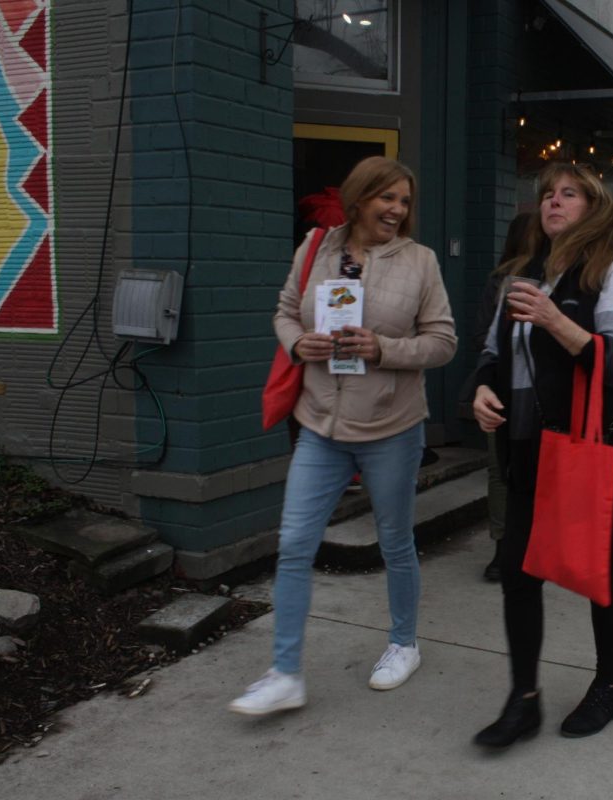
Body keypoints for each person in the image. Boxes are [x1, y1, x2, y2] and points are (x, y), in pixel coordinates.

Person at [230, 157, 458, 716]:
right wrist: (297, 343)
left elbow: (443, 342)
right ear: (360, 198)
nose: (397, 210)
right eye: (387, 198)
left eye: (405, 201)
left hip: (391, 427)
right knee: (294, 544)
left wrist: (383, 348)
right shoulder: (316, 249)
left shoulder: (421, 262)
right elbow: (286, 312)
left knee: (395, 541)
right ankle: (285, 673)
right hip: (319, 425)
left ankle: (404, 643)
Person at [471, 162, 613, 746]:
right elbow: (494, 351)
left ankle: (610, 686)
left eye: (569, 193)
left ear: (595, 206)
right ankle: (524, 700)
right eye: (547, 192)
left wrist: (556, 322)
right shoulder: (522, 273)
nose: (553, 202)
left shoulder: (612, 273)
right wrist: (482, 388)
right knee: (519, 572)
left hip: (594, 444)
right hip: (527, 442)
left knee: (599, 573)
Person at [471, 212, 534, 582]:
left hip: (542, 393)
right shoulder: (500, 280)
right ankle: (502, 544)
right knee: (499, 469)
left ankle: (533, 543)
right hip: (502, 387)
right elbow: (482, 335)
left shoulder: (562, 277)